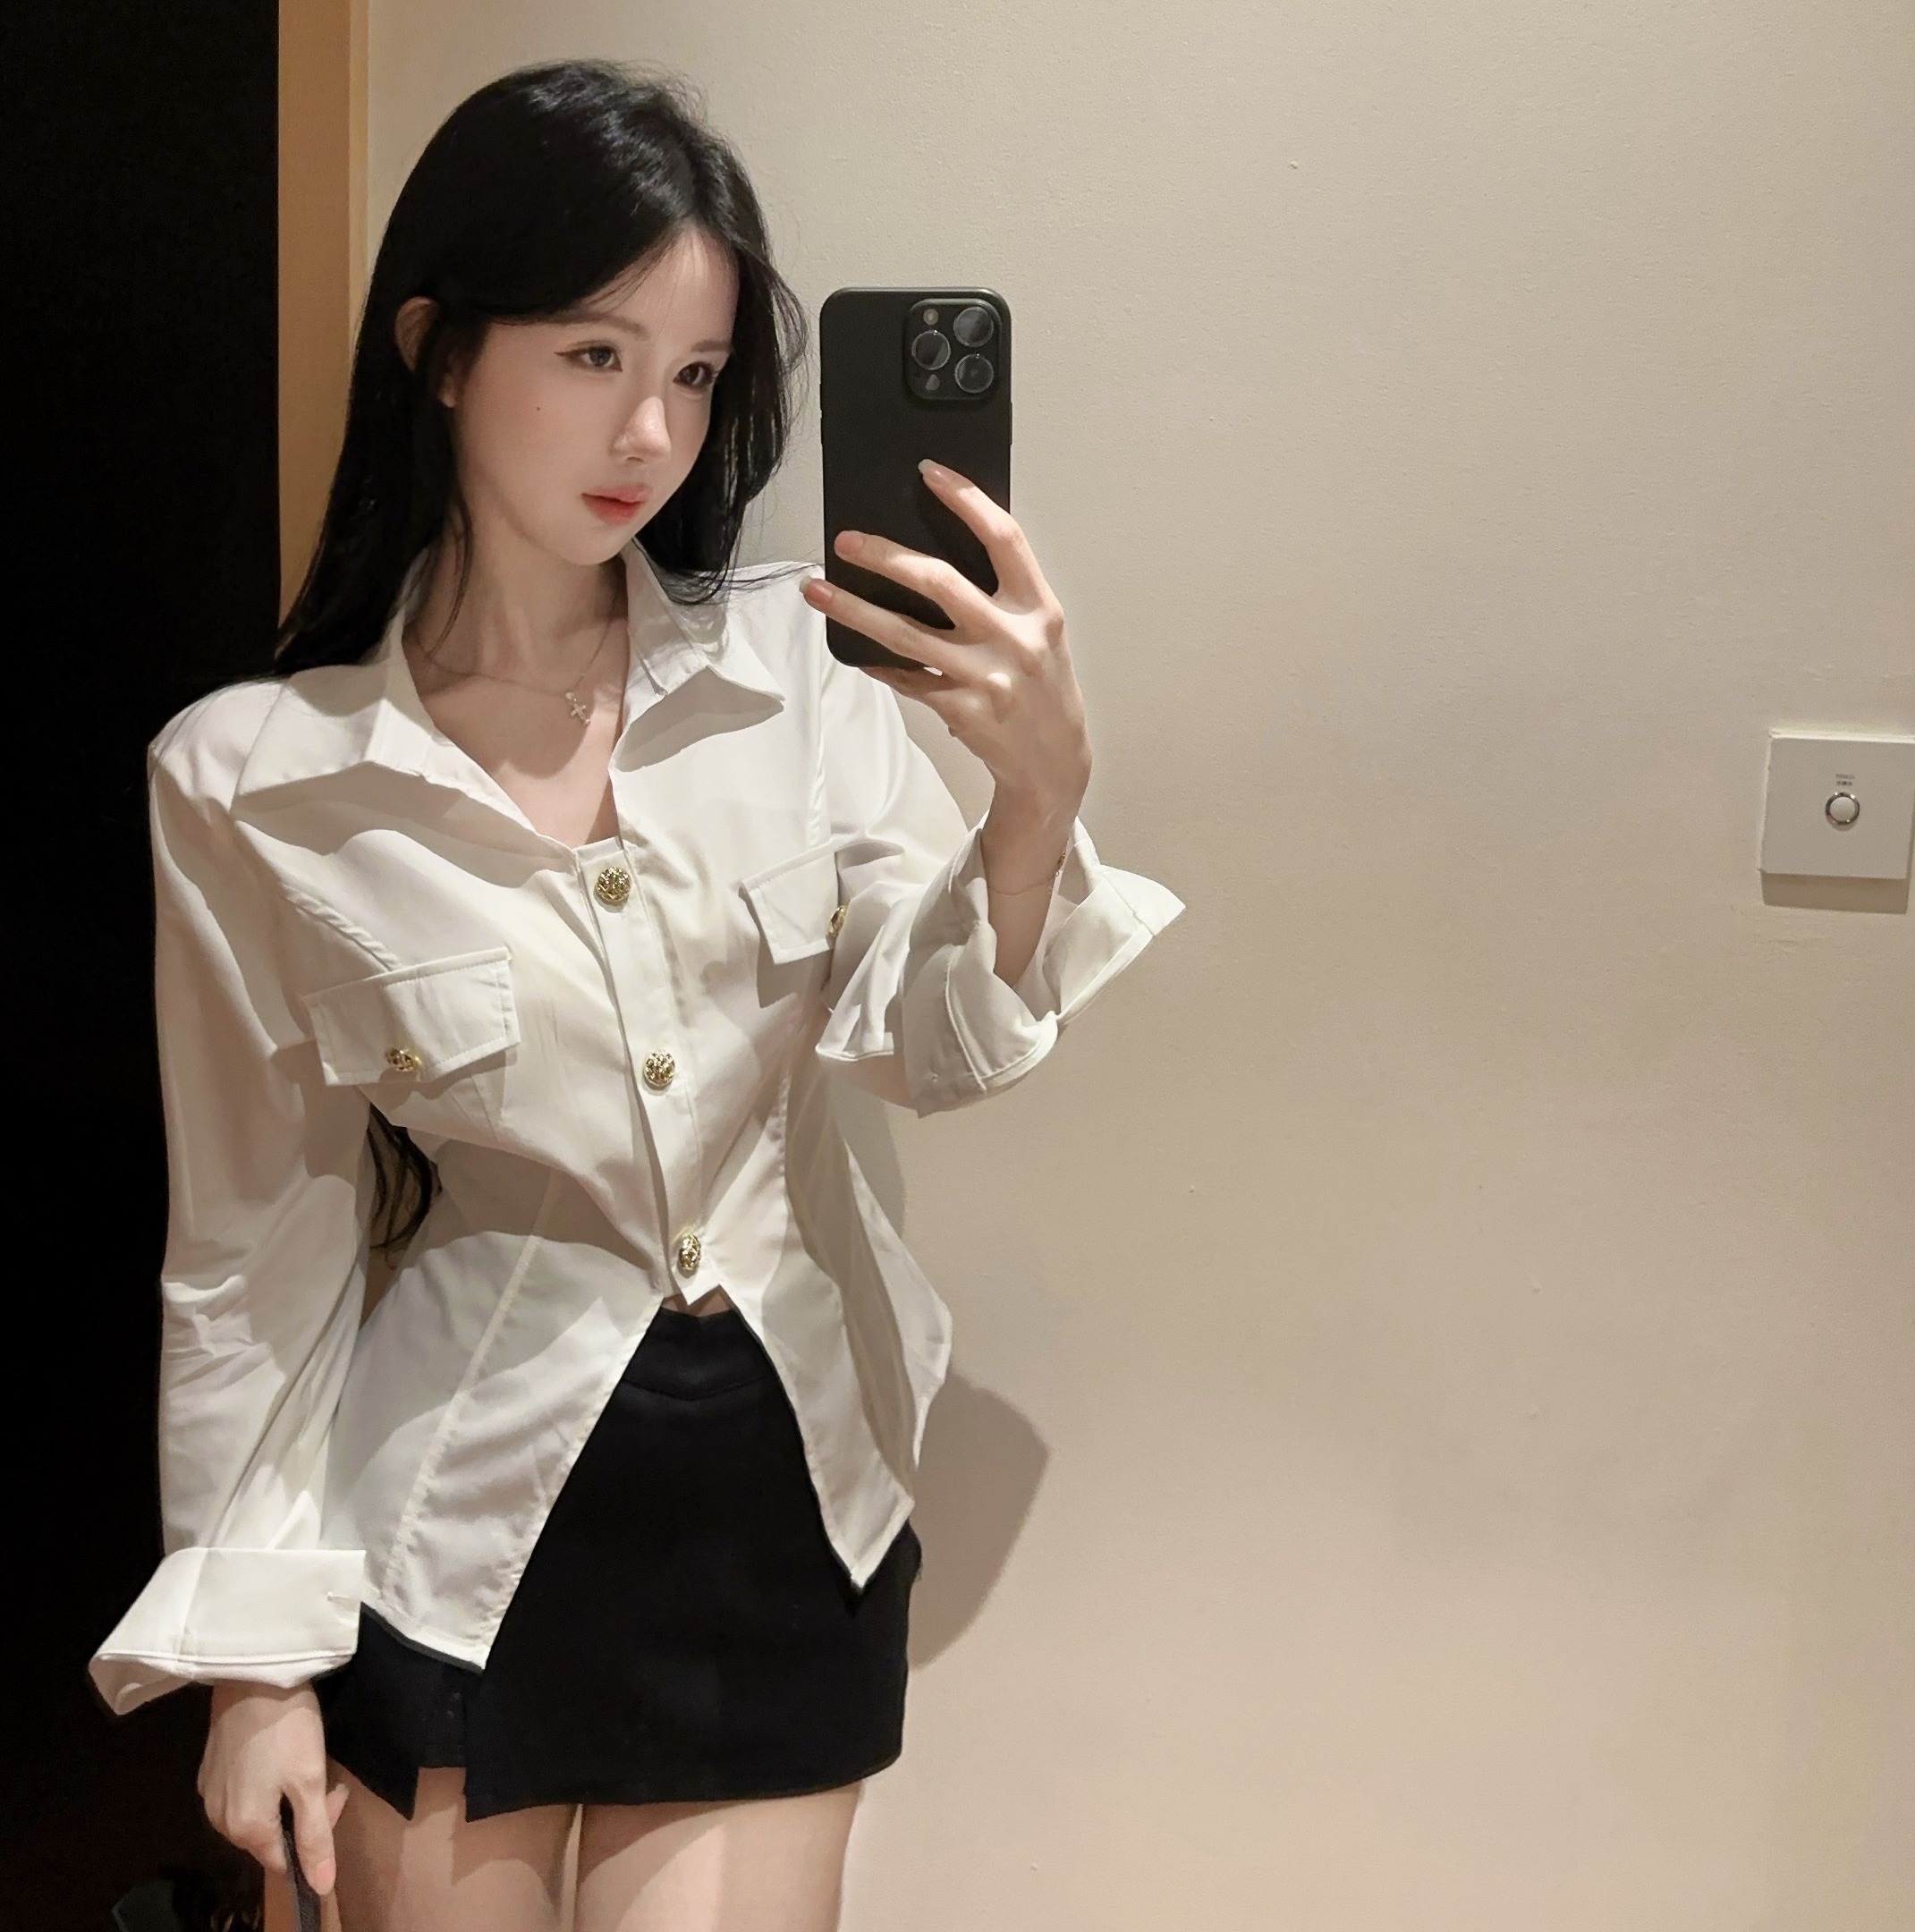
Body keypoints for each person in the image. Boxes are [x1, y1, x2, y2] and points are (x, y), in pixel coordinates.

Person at [89, 56, 1182, 1932]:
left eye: (694, 373)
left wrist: (1035, 803)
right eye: (595, 355)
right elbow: (256, 1246)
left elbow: (932, 1048)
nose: (652, 433)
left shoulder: (802, 672)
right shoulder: (257, 778)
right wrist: (252, 1671)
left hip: (783, 1504)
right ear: (439, 349)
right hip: (450, 1533)